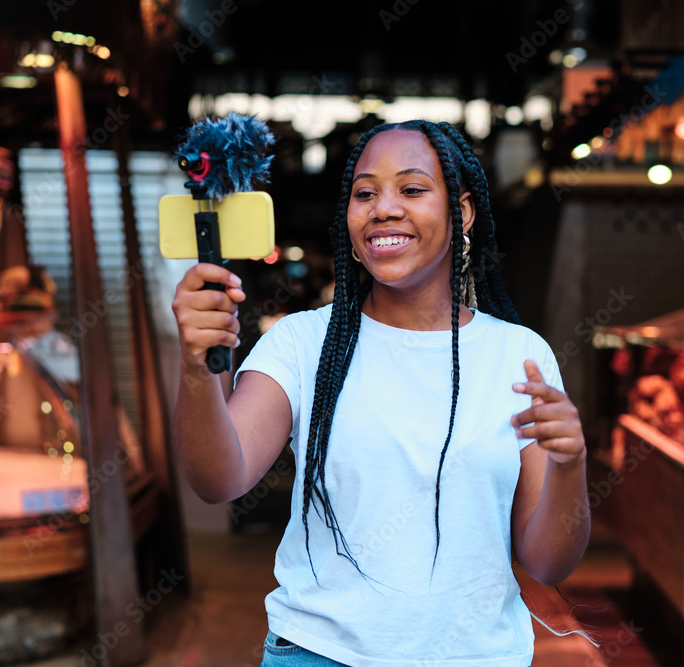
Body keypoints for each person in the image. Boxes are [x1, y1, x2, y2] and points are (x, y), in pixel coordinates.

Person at [172, 120, 590, 666]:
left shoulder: (518, 355)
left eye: (412, 190)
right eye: (364, 193)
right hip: (318, 654)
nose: (383, 208)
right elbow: (217, 479)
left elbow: (548, 564)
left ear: (460, 212)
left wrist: (569, 465)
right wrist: (194, 366)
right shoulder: (302, 343)